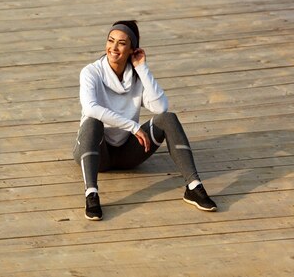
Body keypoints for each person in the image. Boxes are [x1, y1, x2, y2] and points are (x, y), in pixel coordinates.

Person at [73, 20, 217, 220]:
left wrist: (142, 67)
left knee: (168, 119)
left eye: (122, 43)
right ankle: (92, 195)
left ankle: (193, 187)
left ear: (132, 48)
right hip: (98, 151)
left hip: (127, 155)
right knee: (92, 120)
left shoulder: (137, 76)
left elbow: (160, 108)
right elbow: (90, 108)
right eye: (110, 40)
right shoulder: (91, 72)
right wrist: (133, 126)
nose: (113, 48)